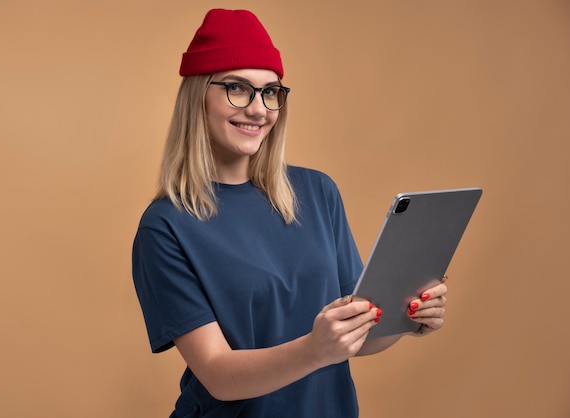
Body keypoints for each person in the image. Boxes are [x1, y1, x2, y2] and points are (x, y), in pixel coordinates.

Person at [132, 8, 448, 417]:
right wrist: (315, 349)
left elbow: (357, 336)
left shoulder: (317, 192)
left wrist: (409, 317)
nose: (260, 110)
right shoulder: (165, 226)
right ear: (197, 97)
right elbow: (217, 375)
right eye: (238, 88)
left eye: (271, 92)